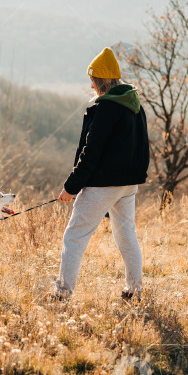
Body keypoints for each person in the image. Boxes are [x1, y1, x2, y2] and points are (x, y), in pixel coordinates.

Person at [54, 47, 150, 301]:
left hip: (103, 185)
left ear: (99, 81)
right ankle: (134, 290)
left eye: (92, 79)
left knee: (74, 236)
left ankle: (62, 295)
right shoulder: (134, 105)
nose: (91, 84)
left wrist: (71, 187)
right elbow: (143, 147)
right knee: (126, 234)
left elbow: (91, 153)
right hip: (128, 184)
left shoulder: (106, 109)